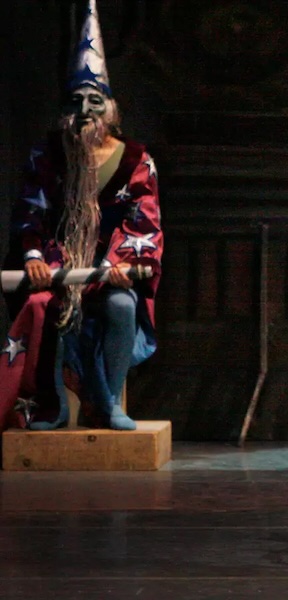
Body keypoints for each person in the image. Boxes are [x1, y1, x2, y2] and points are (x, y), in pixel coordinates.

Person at [0, 0, 162, 431]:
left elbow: (143, 218)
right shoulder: (48, 155)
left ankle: (108, 402)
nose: (85, 110)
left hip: (108, 269)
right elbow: (30, 212)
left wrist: (121, 264)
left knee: (122, 308)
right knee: (40, 306)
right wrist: (33, 255)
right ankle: (53, 405)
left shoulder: (136, 159)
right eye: (77, 101)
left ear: (110, 107)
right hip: (58, 267)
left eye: (94, 100)